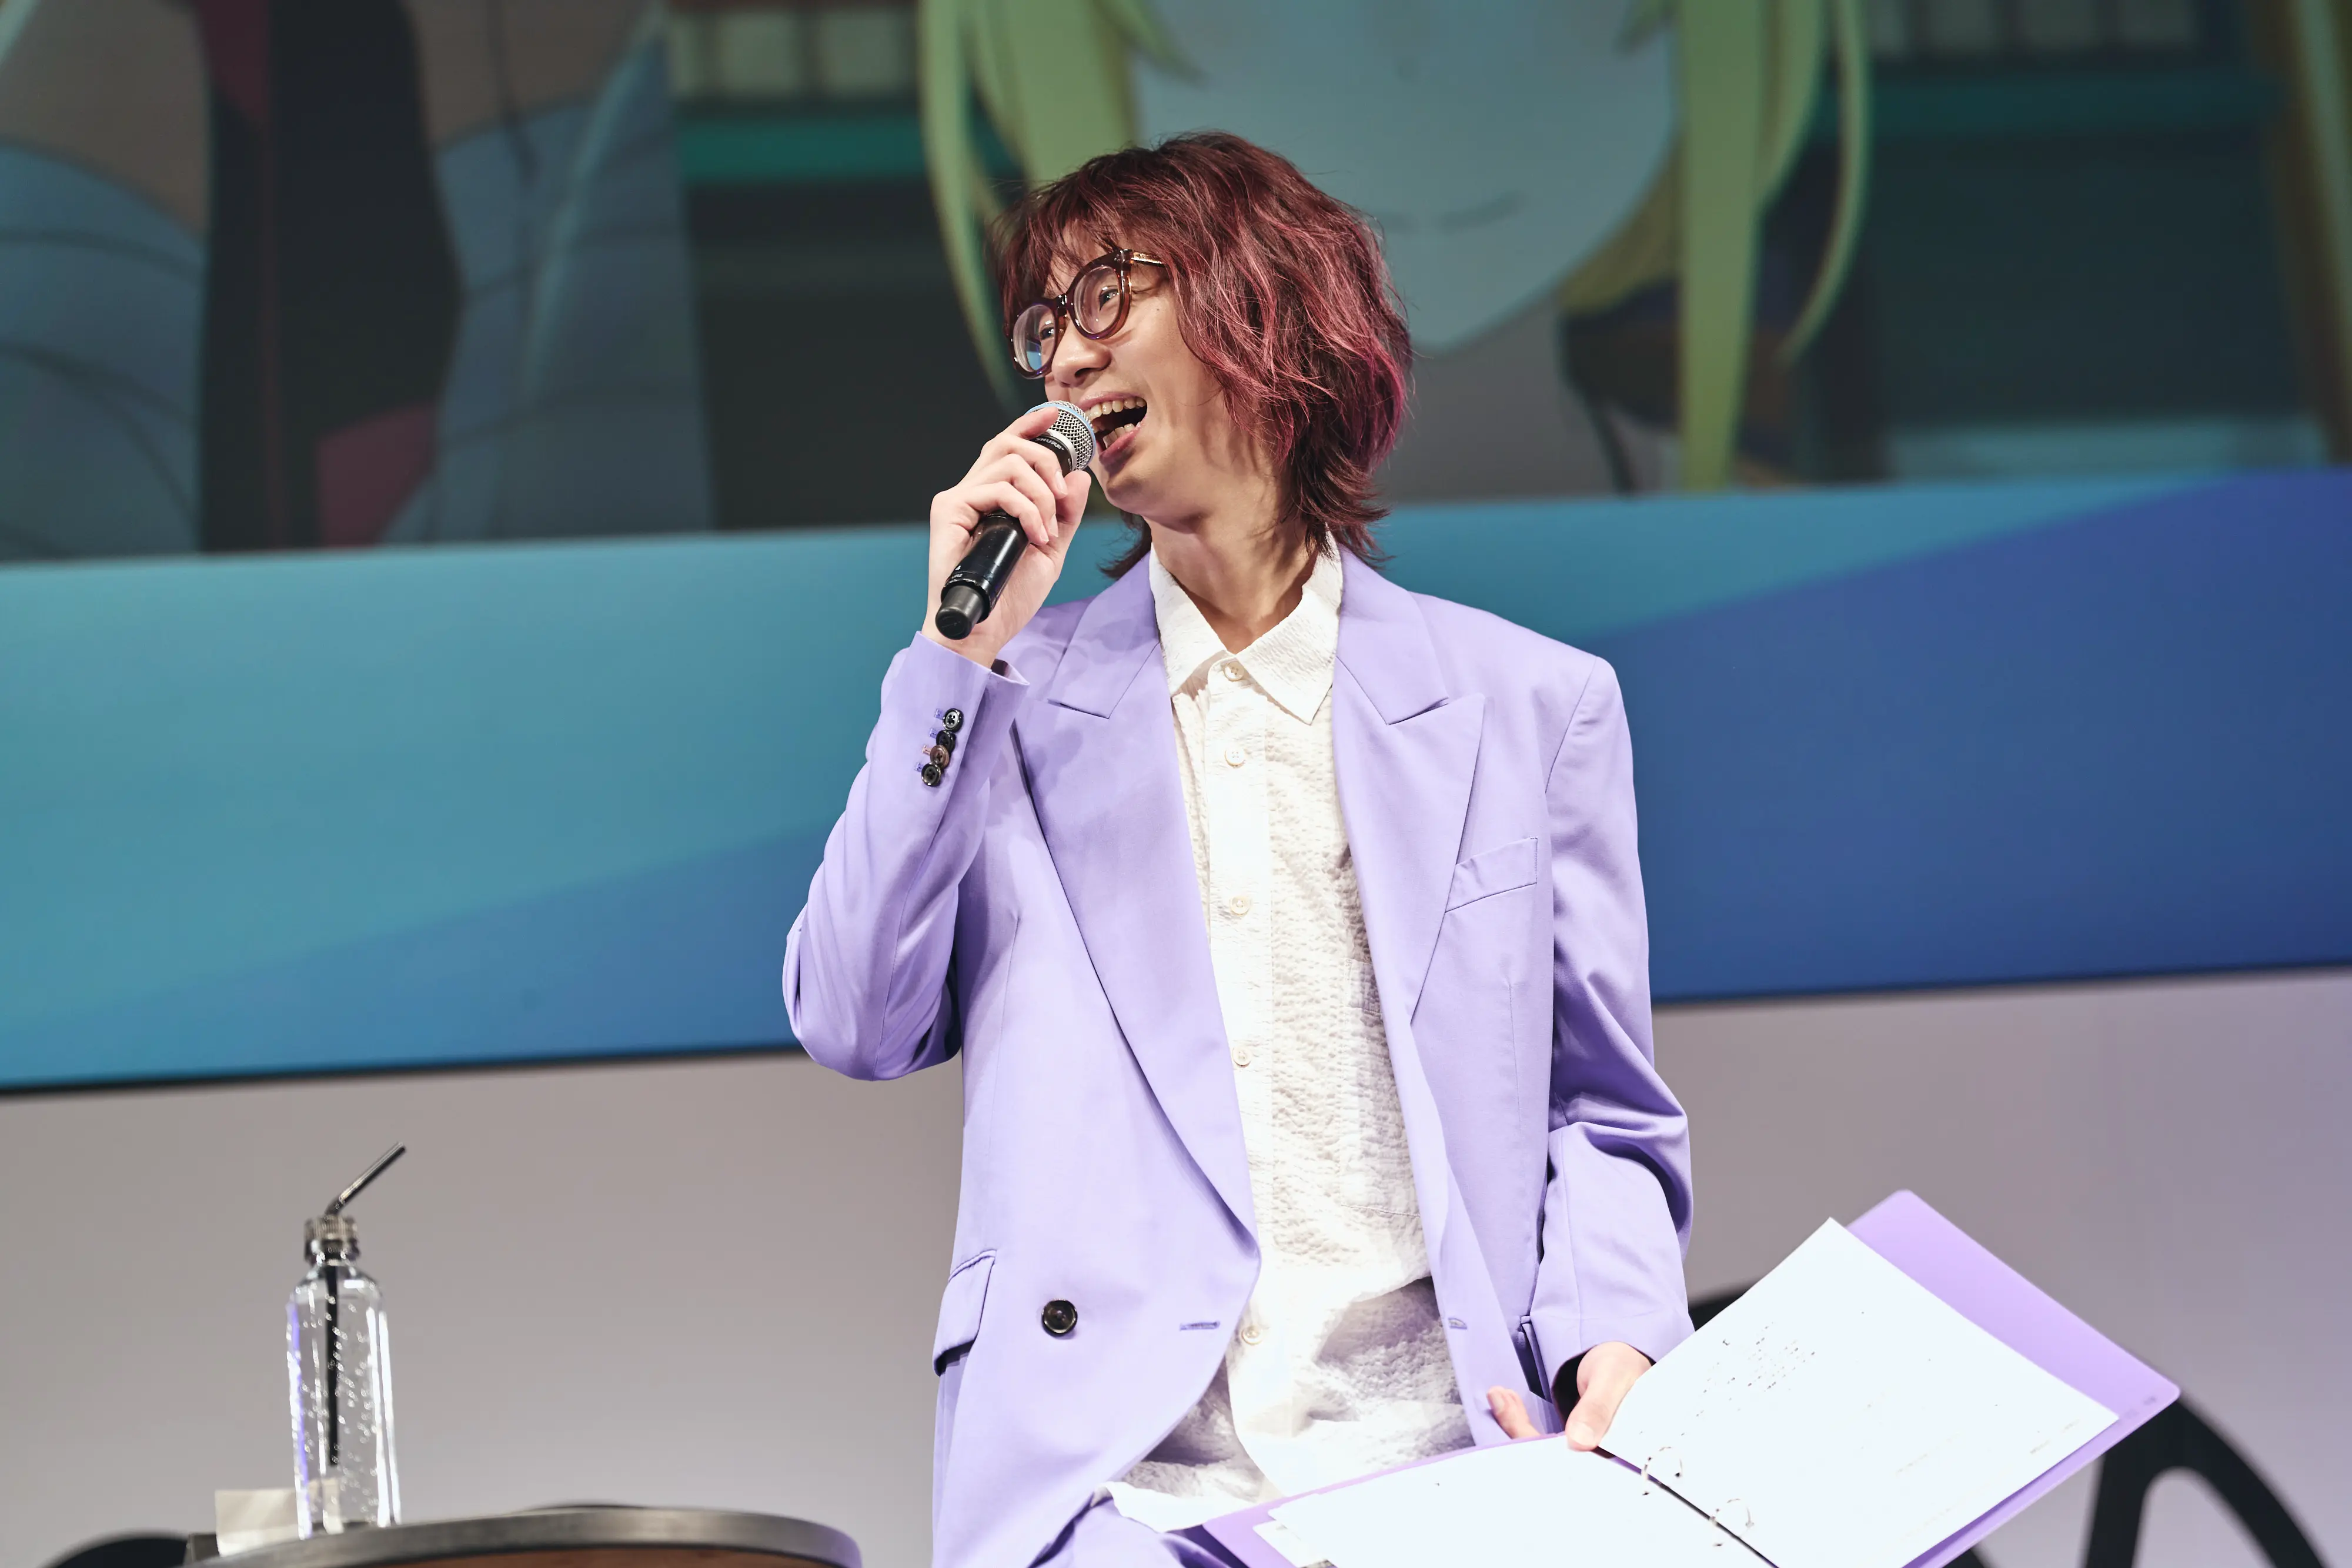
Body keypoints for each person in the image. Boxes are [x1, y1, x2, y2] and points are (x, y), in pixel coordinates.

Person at [784, 132, 1693, 1568]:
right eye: (1042, 325)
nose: (1064, 358)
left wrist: (1618, 1343)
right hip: (1117, 1502)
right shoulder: (1008, 708)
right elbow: (849, 1016)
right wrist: (955, 655)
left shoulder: (1528, 706)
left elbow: (1598, 1110)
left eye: (1106, 297)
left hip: (1446, 1474)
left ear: (1262, 309)